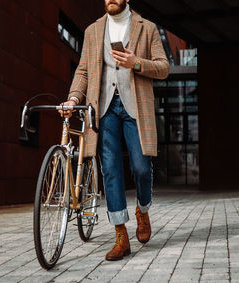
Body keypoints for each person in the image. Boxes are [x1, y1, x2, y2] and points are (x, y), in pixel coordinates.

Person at [59, 0, 169, 261]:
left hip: (135, 108)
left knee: (141, 168)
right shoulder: (92, 30)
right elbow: (83, 71)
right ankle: (121, 235)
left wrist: (137, 63)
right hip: (103, 107)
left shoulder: (148, 28)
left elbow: (164, 67)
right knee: (109, 168)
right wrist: (74, 99)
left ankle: (143, 210)